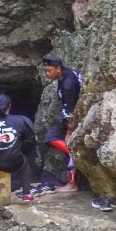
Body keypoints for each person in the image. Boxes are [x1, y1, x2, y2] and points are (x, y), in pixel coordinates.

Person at [0, 94, 37, 205]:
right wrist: (20, 149)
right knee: (25, 162)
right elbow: (31, 141)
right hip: (14, 163)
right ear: (10, 106)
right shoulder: (21, 120)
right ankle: (27, 194)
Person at [42, 54, 82, 193]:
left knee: (52, 138)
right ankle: (72, 154)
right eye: (46, 70)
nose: (47, 73)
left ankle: (75, 156)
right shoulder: (64, 74)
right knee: (60, 143)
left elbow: (72, 110)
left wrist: (69, 131)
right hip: (66, 113)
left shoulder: (68, 85)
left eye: (49, 70)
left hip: (70, 116)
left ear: (58, 68)